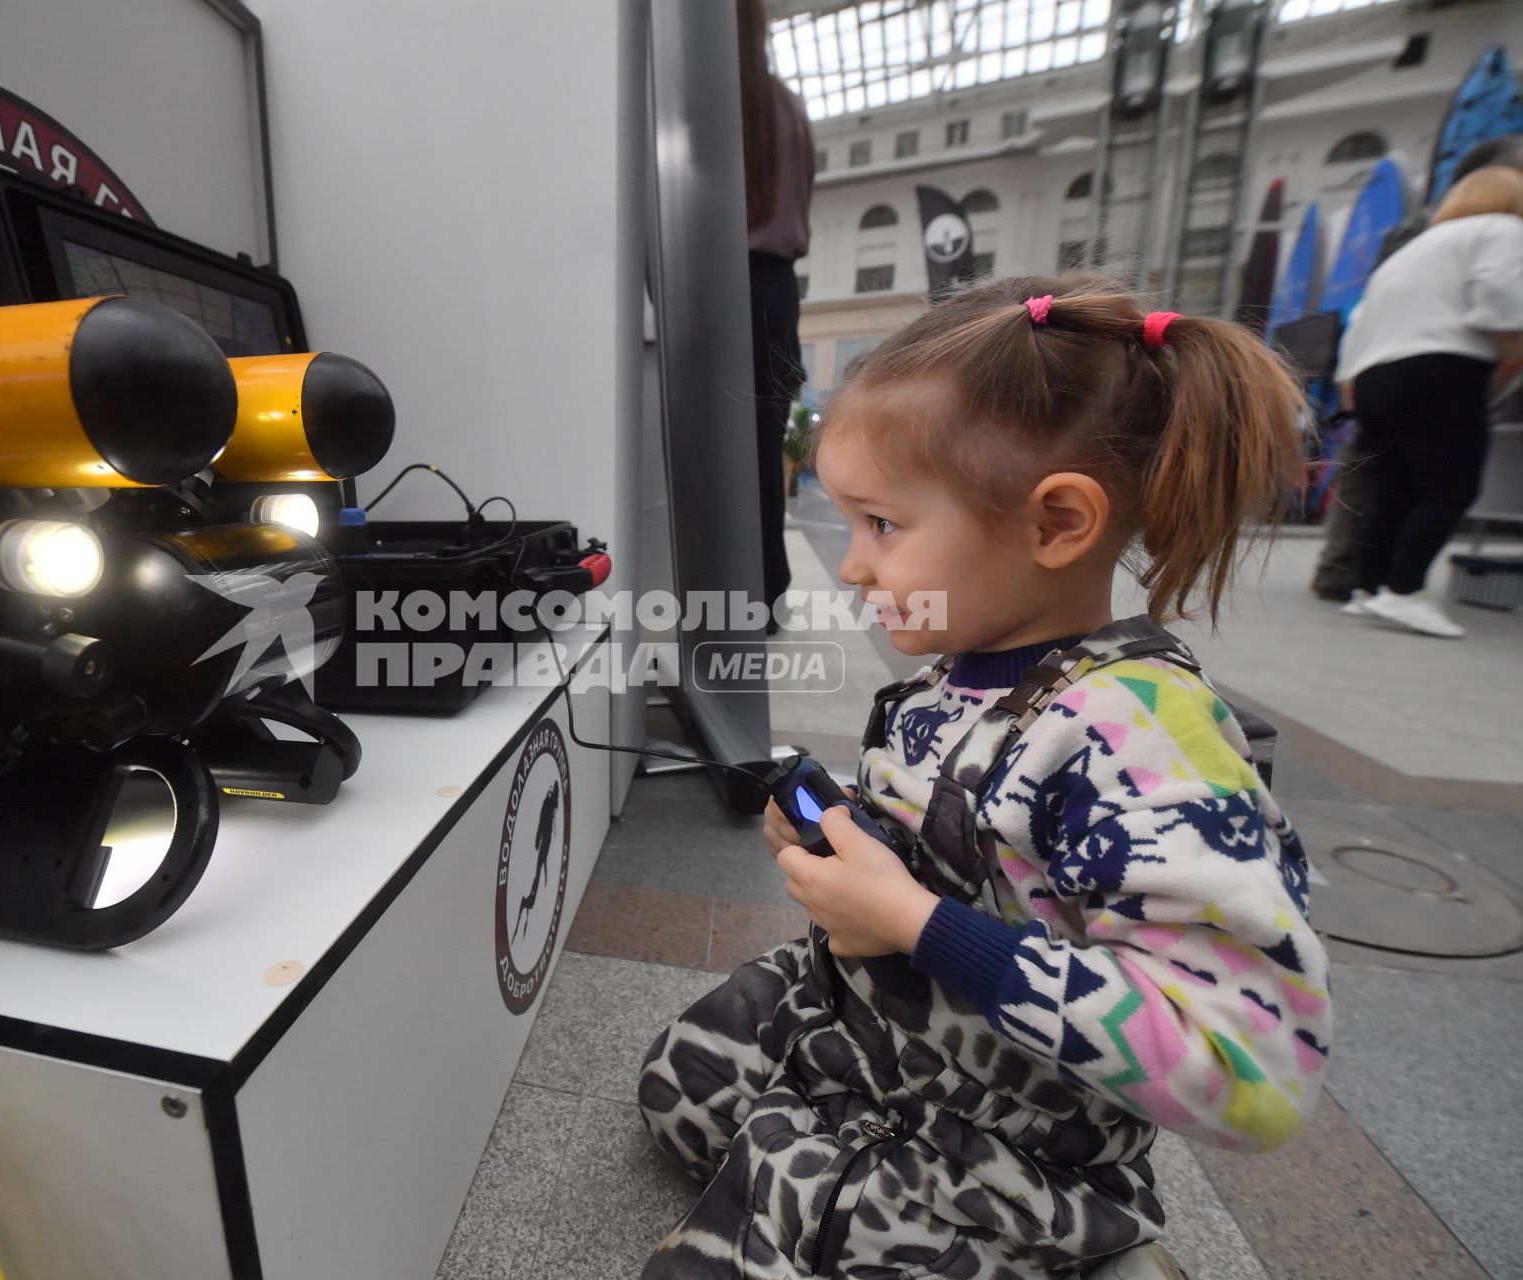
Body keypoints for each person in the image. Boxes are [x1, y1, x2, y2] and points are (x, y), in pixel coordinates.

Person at [637, 275, 1330, 1279]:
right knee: (674, 1089)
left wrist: (922, 925)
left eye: (881, 525)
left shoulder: (1144, 742)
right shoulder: (963, 664)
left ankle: (1095, 1250)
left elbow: (1252, 1068)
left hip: (1009, 1122)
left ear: (1056, 523)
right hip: (868, 1026)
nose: (852, 569)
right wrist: (849, 843)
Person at [1330, 166, 1523, 636]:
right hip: (1444, 366)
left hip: (1376, 374)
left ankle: (1368, 587)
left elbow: (1360, 324)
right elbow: (1500, 294)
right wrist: (1512, 349)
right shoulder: (1503, 230)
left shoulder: (1410, 252)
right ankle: (1404, 590)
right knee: (1449, 488)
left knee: (1390, 488)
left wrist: (1351, 384)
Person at [740, 0, 813, 617]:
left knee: (709, 448)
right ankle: (767, 585)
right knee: (763, 446)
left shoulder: (713, 102)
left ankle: (732, 585)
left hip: (722, 284)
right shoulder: (784, 103)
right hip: (776, 288)